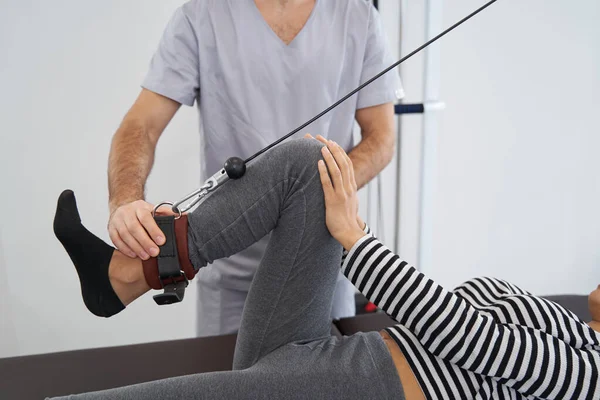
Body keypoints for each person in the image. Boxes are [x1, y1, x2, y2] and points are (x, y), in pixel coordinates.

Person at [54, 136, 600, 399]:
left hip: (365, 386)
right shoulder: (570, 325)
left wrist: (355, 240)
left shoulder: (594, 374)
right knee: (311, 166)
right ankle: (124, 278)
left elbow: (468, 338)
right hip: (333, 359)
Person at [106, 0, 402, 336]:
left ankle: (134, 272)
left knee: (318, 386)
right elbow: (140, 126)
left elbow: (381, 139)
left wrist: (304, 194)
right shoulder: (202, 16)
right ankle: (135, 270)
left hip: (322, 268)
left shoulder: (358, 16)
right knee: (230, 388)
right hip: (229, 273)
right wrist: (125, 202)